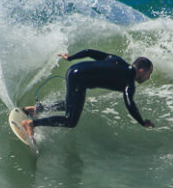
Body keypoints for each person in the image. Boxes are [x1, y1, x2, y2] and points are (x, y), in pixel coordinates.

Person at [21, 49, 154, 137]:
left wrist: (71, 58)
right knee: (70, 121)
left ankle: (35, 109)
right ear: (141, 70)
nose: (148, 77)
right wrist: (142, 121)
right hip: (79, 79)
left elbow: (90, 52)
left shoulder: (117, 60)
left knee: (71, 105)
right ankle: (31, 124)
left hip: (73, 71)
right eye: (149, 74)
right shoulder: (128, 82)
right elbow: (129, 103)